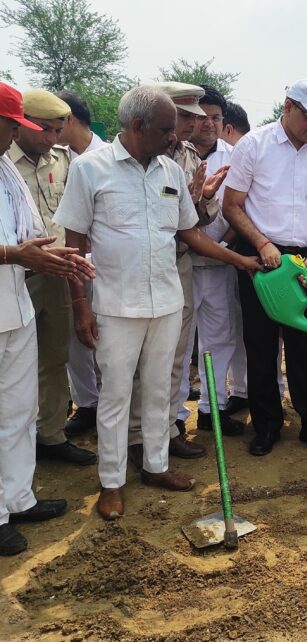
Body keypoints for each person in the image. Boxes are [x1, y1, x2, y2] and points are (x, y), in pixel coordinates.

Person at [54, 86, 259, 520]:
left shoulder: (169, 170)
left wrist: (240, 259)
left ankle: (156, 466)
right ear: (137, 127)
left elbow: (191, 234)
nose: (175, 136)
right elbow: (73, 243)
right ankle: (111, 483)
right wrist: (81, 307)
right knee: (115, 395)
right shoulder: (90, 169)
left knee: (160, 389)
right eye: (167, 128)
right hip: (115, 306)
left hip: (166, 301)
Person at [223, 77, 307, 457]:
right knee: (260, 346)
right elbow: (233, 205)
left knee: (306, 346)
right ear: (288, 106)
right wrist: (261, 242)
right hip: (261, 259)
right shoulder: (253, 146)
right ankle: (267, 425)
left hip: (304, 261)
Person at [0, 82, 95, 555]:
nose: (58, 138)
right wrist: (14, 253)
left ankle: (22, 489)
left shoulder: (23, 168)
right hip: (14, 278)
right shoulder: (9, 162)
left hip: (33, 284)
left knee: (29, 391)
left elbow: (51, 226)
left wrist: (65, 261)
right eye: (48, 130)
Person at [126, 81, 225, 466]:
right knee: (133, 360)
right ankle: (134, 438)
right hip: (132, 269)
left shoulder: (185, 157)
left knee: (173, 356)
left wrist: (202, 197)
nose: (188, 126)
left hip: (177, 264)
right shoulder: (130, 156)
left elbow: (195, 222)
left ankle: (165, 432)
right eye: (183, 117)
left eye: (193, 118)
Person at [186, 85, 249, 431]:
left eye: (215, 118)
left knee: (220, 337)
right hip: (182, 263)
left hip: (221, 261)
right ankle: (177, 417)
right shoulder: (174, 154)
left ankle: (214, 408)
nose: (208, 124)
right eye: (202, 117)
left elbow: (240, 207)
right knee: (181, 345)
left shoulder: (236, 155)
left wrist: (223, 246)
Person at [56, 90, 106, 439]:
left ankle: (111, 404)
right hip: (67, 260)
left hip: (103, 263)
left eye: (53, 123)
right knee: (78, 334)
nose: (47, 131)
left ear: (69, 119)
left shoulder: (107, 158)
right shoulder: (58, 158)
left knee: (106, 333)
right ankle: (87, 404)